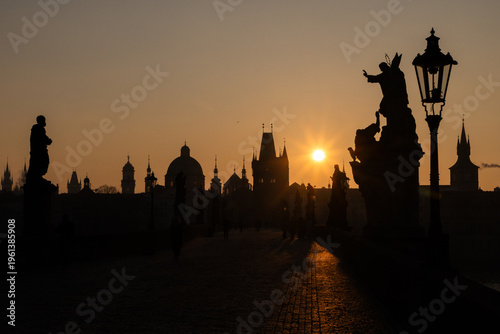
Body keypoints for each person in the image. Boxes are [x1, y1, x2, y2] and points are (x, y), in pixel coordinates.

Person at [28, 115, 52, 182]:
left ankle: (37, 176)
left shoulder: (37, 128)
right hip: (40, 151)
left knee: (38, 164)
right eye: (44, 120)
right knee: (44, 162)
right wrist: (48, 141)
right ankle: (38, 177)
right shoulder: (39, 128)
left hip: (37, 151)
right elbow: (43, 138)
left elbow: (43, 137)